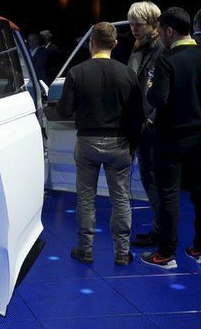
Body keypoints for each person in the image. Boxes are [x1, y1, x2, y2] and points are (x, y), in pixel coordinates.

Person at [141, 7, 201, 269]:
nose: (160, 36)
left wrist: (150, 88)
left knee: (169, 194)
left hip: (170, 138)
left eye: (160, 31)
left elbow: (159, 98)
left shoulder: (167, 59)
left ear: (169, 31)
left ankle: (166, 253)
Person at [57, 22, 144, 266]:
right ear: (114, 44)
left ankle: (85, 249)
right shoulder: (127, 73)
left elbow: (64, 111)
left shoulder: (77, 72)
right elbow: (137, 116)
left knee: (86, 199)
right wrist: (132, 145)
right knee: (121, 199)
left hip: (87, 143)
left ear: (91, 43)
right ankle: (122, 252)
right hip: (119, 144)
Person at [125, 1, 165, 248]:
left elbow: (165, 93)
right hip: (141, 124)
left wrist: (150, 120)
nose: (133, 29)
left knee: (155, 181)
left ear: (153, 24)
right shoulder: (139, 47)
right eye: (131, 24)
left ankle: (161, 232)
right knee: (149, 179)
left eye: (138, 24)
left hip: (153, 127)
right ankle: (159, 229)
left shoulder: (160, 50)